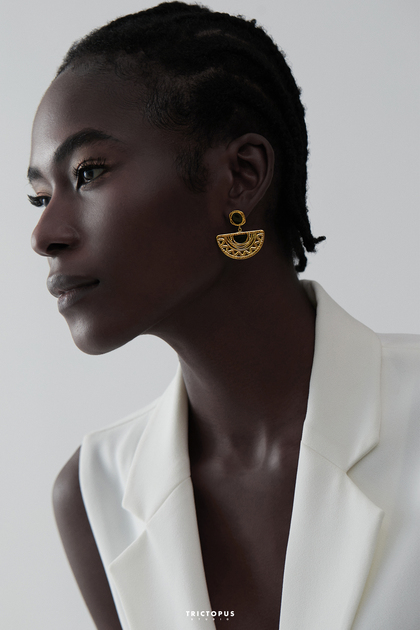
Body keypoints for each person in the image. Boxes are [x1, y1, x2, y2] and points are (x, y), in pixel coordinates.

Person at [28, 3, 419, 629]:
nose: (44, 234)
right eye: (40, 196)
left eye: (88, 172)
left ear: (241, 176)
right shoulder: (95, 496)